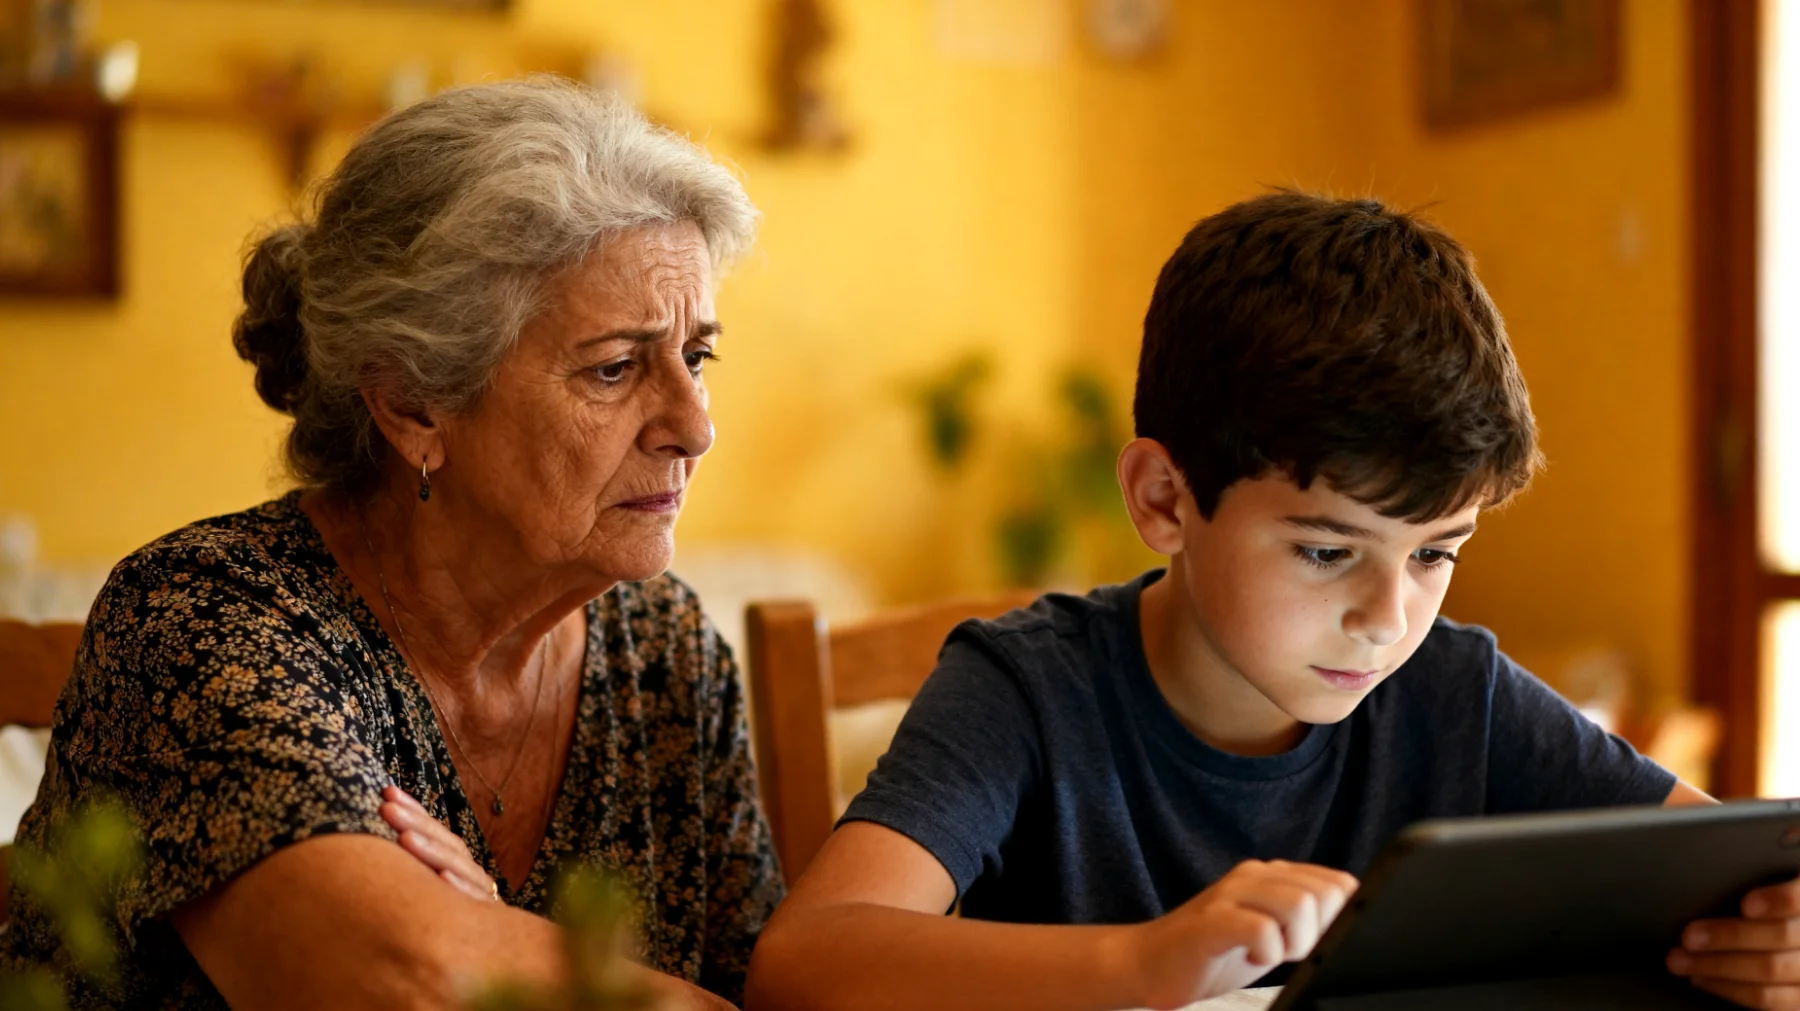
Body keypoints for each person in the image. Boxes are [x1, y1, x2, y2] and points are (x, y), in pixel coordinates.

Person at [745, 193, 1800, 1011]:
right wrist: (1146, 962)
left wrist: (1780, 937)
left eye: (1436, 554)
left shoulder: (1455, 690)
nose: (1388, 616)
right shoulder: (1023, 689)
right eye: (1328, 551)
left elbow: (1737, 859)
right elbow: (800, 963)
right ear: (1164, 499)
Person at [3, 78, 780, 1011]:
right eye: (614, 368)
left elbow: (772, 992)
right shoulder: (201, 622)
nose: (695, 428)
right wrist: (469, 951)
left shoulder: (667, 649)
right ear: (414, 402)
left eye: (696, 357)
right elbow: (407, 984)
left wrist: (490, 932)